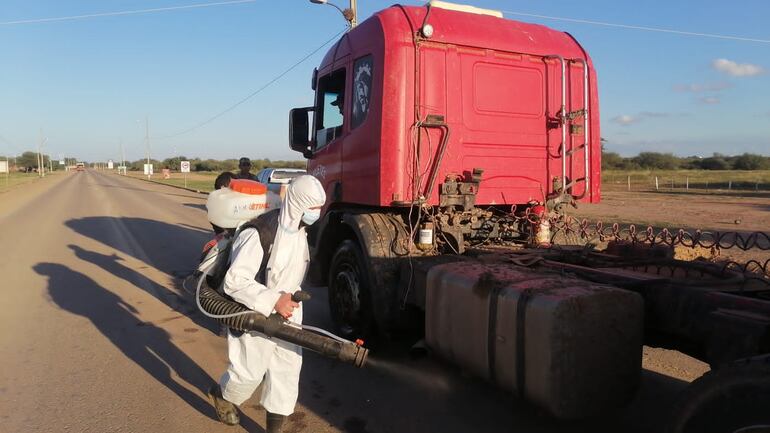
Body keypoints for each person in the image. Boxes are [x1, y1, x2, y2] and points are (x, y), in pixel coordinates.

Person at [208, 175, 326, 432]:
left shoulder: (300, 230)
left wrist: (289, 300)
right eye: (313, 207)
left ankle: (274, 428)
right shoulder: (259, 232)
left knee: (287, 370)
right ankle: (222, 395)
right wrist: (274, 300)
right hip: (255, 311)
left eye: (319, 207)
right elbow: (235, 281)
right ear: (298, 203)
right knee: (249, 372)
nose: (317, 213)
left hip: (290, 311)